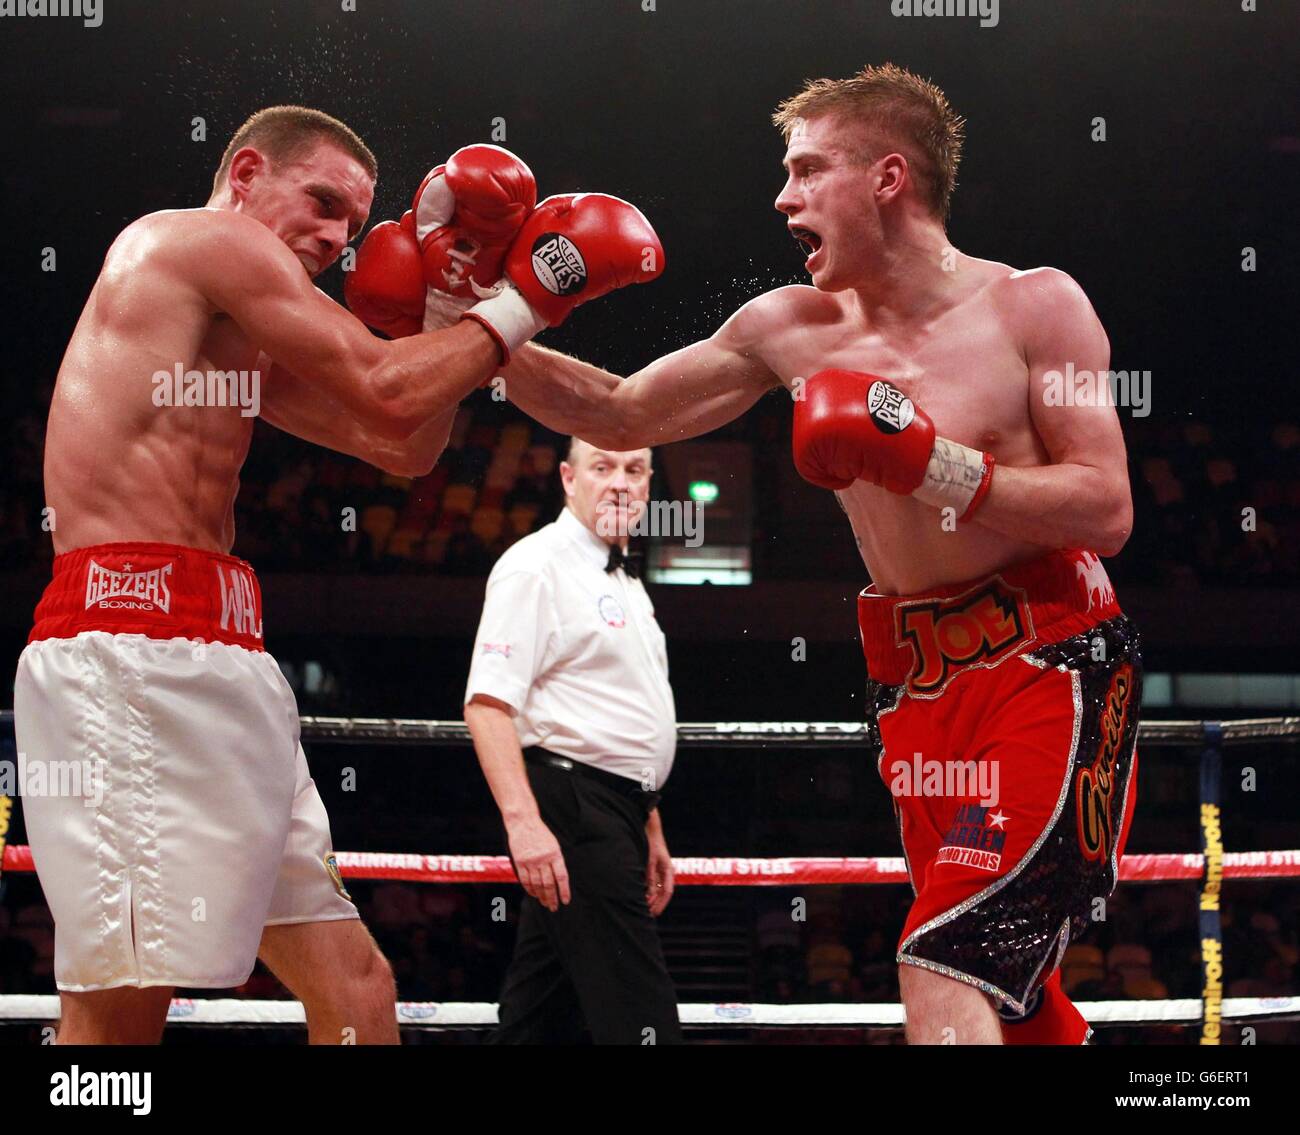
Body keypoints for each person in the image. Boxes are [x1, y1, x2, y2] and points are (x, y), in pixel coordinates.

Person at [495, 63, 1142, 1045]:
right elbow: (618, 409)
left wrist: (935, 465)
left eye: (805, 172)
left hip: (1048, 668)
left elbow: (1104, 505)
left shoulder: (1033, 308)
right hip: (916, 699)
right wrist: (469, 321)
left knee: (945, 957)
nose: (781, 197)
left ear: (886, 179)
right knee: (1011, 1001)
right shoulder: (787, 329)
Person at [13, 104, 661, 1044]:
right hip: (127, 656)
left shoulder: (232, 340)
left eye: (354, 228)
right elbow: (391, 386)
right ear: (243, 174)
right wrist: (527, 297)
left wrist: (446, 307)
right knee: (120, 1014)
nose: (333, 238)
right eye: (319, 203)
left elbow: (404, 444)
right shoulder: (196, 243)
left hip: (224, 659)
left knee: (358, 986)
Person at [463, 439, 682, 1045]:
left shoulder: (624, 578)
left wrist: (649, 820)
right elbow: (486, 706)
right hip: (573, 806)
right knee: (642, 1020)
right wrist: (524, 824)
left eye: (634, 470)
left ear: (648, 484)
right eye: (603, 467)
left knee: (539, 1018)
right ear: (568, 477)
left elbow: (619, 711)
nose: (620, 483)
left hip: (616, 810)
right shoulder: (537, 566)